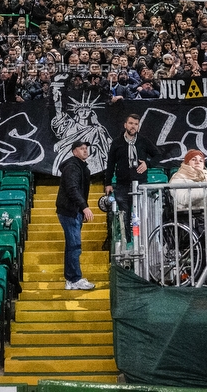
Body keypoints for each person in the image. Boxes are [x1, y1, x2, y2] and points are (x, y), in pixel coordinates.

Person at [104, 113, 160, 225]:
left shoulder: (144, 141)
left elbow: (158, 155)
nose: (133, 126)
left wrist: (147, 164)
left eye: (136, 124)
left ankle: (142, 241)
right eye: (130, 123)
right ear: (125, 125)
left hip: (140, 183)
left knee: (141, 215)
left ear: (138, 126)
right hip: (122, 185)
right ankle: (128, 241)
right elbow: (110, 163)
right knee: (124, 217)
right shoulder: (117, 142)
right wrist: (108, 183)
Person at [56, 139, 95, 290]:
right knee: (75, 246)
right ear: (74, 151)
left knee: (72, 246)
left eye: (86, 148)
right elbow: (72, 189)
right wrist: (84, 207)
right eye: (81, 148)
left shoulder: (78, 166)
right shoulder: (73, 166)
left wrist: (82, 209)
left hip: (72, 211)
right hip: (69, 211)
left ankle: (71, 279)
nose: (85, 150)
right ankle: (75, 278)